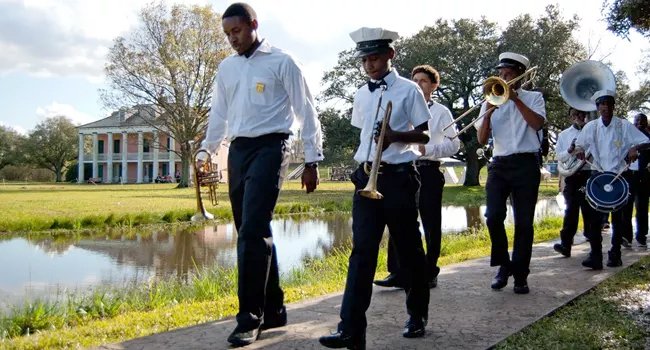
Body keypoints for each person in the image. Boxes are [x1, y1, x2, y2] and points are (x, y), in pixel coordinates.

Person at [200, 3, 324, 346]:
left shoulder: (282, 61)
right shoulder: (226, 68)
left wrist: (312, 161)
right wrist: (206, 149)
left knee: (252, 230)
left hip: (272, 147)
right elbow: (219, 114)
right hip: (239, 151)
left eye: (236, 32)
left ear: (253, 25)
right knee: (251, 230)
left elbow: (306, 111)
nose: (232, 40)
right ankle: (275, 308)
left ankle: (248, 318)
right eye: (227, 34)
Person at [319, 27, 431, 349]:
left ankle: (417, 314)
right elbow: (363, 133)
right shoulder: (360, 93)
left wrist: (396, 136)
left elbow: (424, 136)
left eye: (375, 57)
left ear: (390, 55)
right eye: (365, 59)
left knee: (409, 250)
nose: (369, 64)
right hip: (366, 176)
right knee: (362, 253)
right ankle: (350, 328)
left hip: (398, 177)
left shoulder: (410, 90)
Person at [374, 65, 460, 289]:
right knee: (398, 220)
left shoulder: (441, 111)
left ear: (434, 85)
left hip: (428, 169)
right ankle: (397, 272)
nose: (418, 84)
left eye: (423, 81)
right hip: (404, 168)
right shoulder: (403, 105)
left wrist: (428, 150)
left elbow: (455, 144)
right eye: (415, 80)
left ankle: (429, 270)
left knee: (431, 223)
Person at [476, 52, 546, 294]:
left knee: (524, 223)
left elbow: (537, 124)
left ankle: (521, 275)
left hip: (526, 164)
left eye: (508, 74)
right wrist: (487, 112)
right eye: (501, 73)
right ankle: (504, 265)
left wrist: (516, 100)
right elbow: (481, 139)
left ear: (520, 75)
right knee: (493, 215)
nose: (503, 77)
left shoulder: (534, 98)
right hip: (499, 164)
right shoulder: (491, 98)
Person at [574, 90, 648, 269]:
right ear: (598, 107)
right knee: (594, 219)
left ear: (613, 106)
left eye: (609, 103)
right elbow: (579, 145)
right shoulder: (591, 127)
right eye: (602, 104)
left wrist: (634, 148)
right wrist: (579, 151)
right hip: (598, 176)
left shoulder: (623, 125)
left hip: (619, 176)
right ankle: (595, 256)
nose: (605, 107)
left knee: (619, 218)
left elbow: (646, 141)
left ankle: (615, 254)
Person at [553, 107, 597, 257]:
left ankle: (594, 248)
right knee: (570, 210)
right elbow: (559, 156)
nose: (578, 117)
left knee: (589, 210)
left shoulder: (592, 131)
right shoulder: (564, 135)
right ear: (570, 118)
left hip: (587, 173)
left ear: (585, 115)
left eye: (580, 114)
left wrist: (587, 153)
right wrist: (570, 150)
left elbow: (598, 151)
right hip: (572, 175)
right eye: (574, 115)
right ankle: (566, 245)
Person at [632, 113, 649, 247]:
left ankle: (641, 235)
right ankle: (625, 235)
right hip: (629, 175)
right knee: (625, 207)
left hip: (643, 176)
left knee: (641, 207)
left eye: (642, 120)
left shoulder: (648, 136)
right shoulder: (628, 136)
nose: (639, 122)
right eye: (637, 120)